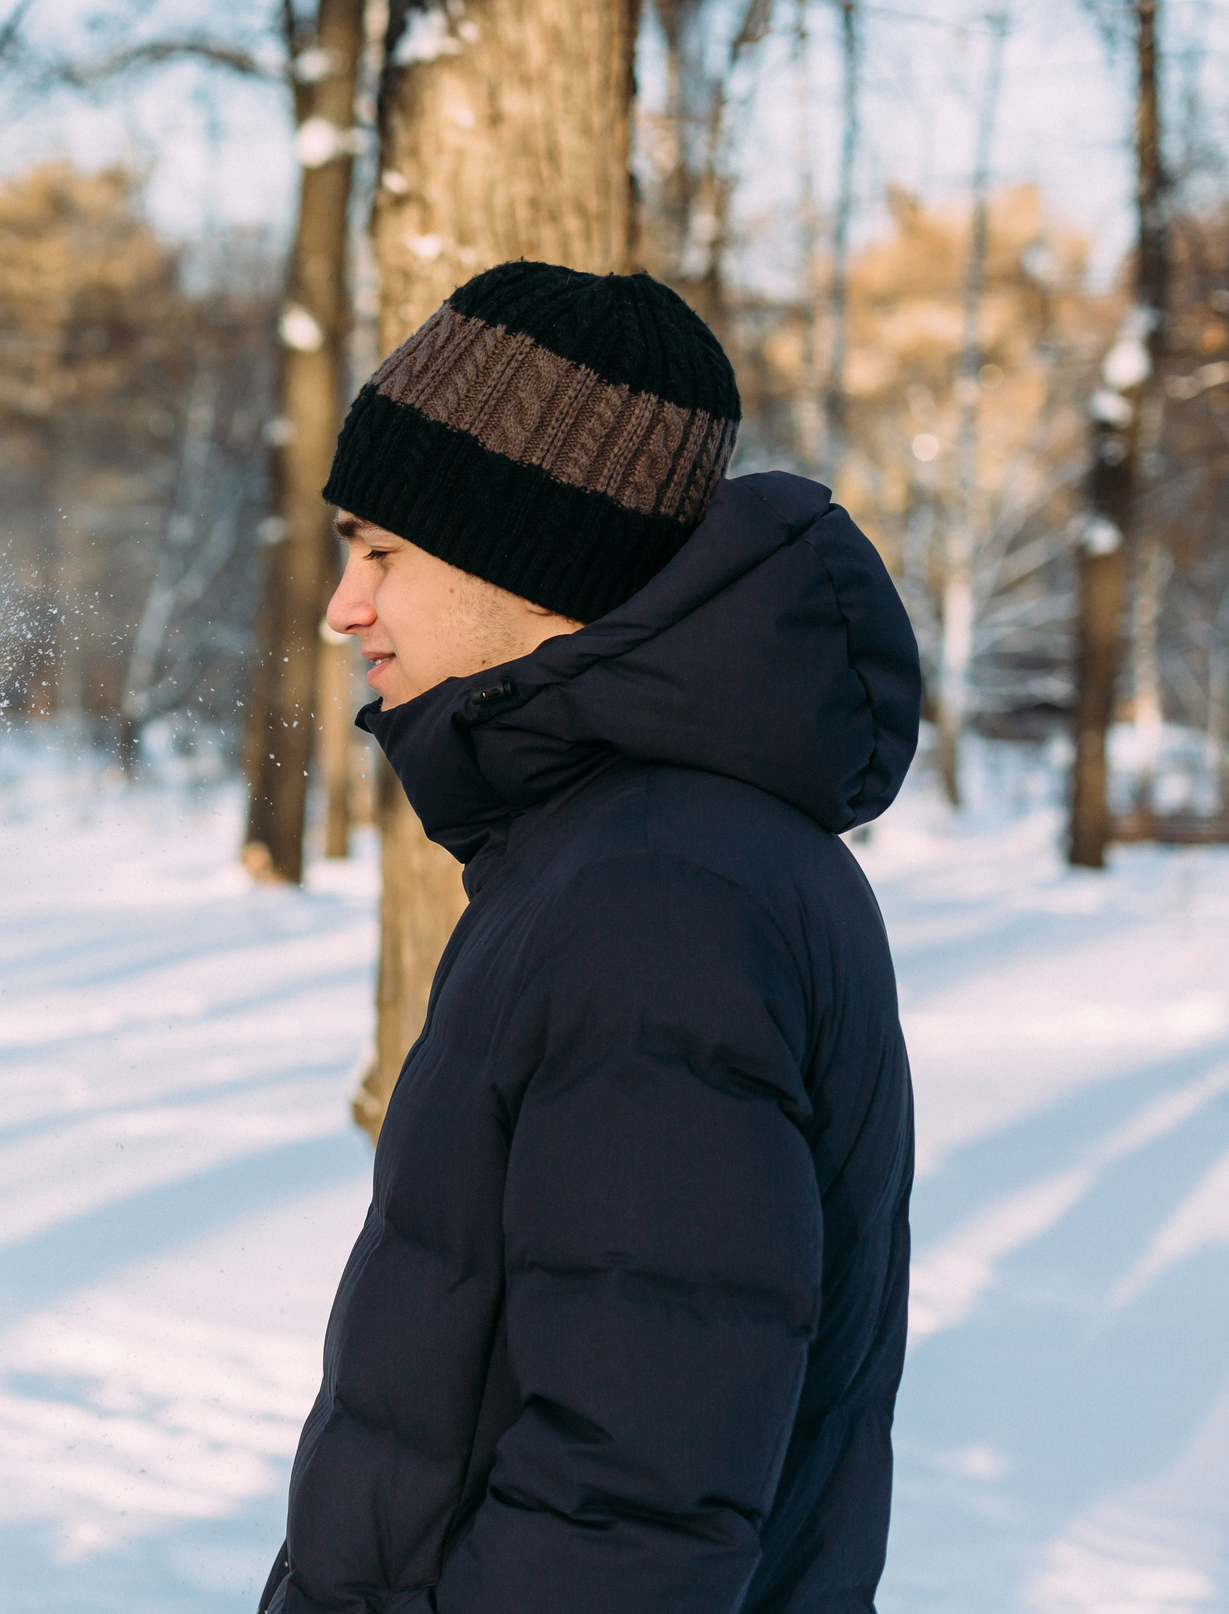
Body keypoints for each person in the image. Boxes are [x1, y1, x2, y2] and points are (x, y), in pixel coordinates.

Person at [260, 262, 921, 1614]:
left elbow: (630, 1496)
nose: (345, 604)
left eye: (380, 549)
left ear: (530, 557)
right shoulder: (623, 848)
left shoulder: (660, 897)